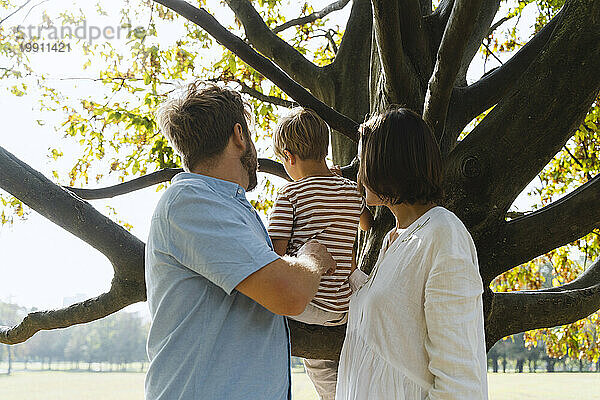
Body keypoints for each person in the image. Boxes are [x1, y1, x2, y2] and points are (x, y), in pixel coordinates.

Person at [144, 82, 337, 400]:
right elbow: (287, 294)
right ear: (238, 135)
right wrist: (312, 256)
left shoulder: (228, 208)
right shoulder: (190, 201)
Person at [335, 108, 488, 400]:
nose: (358, 172)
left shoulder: (443, 235)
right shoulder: (395, 237)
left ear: (388, 163)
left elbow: (459, 379)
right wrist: (347, 272)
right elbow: (391, 323)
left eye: (363, 160)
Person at [267, 108, 373, 400]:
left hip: (310, 306)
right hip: (345, 307)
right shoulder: (351, 191)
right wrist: (339, 183)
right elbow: (366, 223)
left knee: (322, 373)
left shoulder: (290, 195)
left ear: (288, 156)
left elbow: (274, 259)